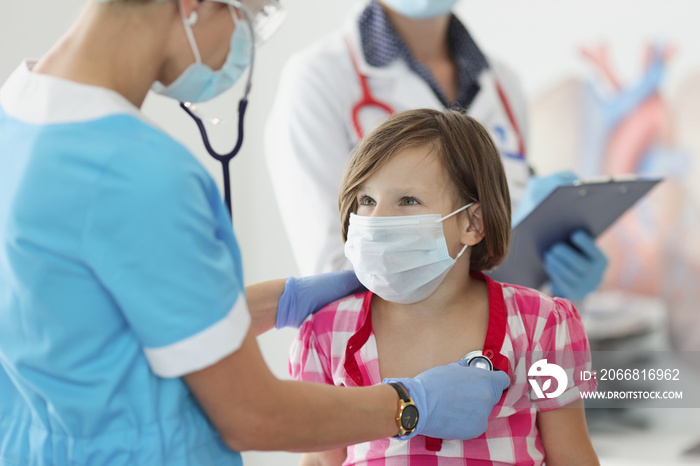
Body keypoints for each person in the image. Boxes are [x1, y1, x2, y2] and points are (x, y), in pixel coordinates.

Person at [0, 0, 511, 464]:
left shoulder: (16, 123)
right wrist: (408, 403)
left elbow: (86, 329)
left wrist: (272, 303)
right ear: (195, 5)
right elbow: (251, 414)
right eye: (254, 17)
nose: (244, 46)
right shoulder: (137, 174)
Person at [289, 109, 599, 466]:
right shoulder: (327, 333)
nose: (375, 222)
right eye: (366, 200)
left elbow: (573, 456)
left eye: (407, 201)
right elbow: (320, 459)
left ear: (473, 222)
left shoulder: (541, 325)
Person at [265, 0, 608, 302]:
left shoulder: (503, 83)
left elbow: (509, 269)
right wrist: (506, 242)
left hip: (503, 351)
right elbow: (333, 274)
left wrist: (552, 282)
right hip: (386, 364)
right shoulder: (318, 79)